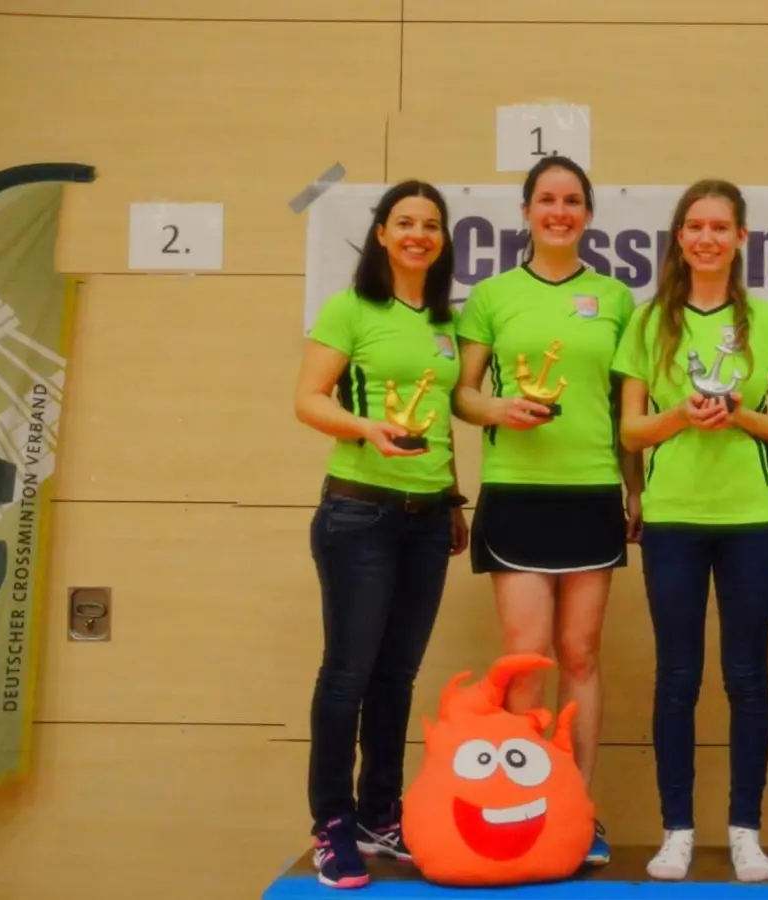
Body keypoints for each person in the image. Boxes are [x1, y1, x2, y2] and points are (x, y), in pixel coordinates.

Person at [612, 180, 768, 884]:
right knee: (677, 679)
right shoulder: (646, 322)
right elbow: (631, 429)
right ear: (679, 238)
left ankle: (746, 830)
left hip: (750, 522)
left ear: (741, 239)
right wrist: (681, 419)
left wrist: (737, 414)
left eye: (719, 227)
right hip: (672, 523)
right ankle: (678, 831)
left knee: (748, 678)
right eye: (694, 226)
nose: (706, 238)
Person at [452, 154, 644, 867]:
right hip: (517, 493)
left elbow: (630, 409)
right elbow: (462, 394)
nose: (559, 212)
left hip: (592, 492)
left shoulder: (619, 299)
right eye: (546, 200)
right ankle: (518, 805)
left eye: (572, 201)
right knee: (525, 661)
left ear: (587, 214)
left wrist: (635, 488)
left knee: (582, 656)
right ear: (527, 211)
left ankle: (576, 808)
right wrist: (497, 406)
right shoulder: (492, 296)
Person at [293, 180, 471, 890]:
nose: (419, 234)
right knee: (349, 673)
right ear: (382, 234)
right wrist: (367, 428)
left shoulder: (443, 320)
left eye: (431, 224)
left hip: (426, 521)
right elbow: (307, 399)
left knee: (397, 676)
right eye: (406, 223)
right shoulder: (350, 309)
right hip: (358, 514)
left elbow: (441, 417)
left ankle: (378, 813)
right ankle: (332, 822)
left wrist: (453, 499)